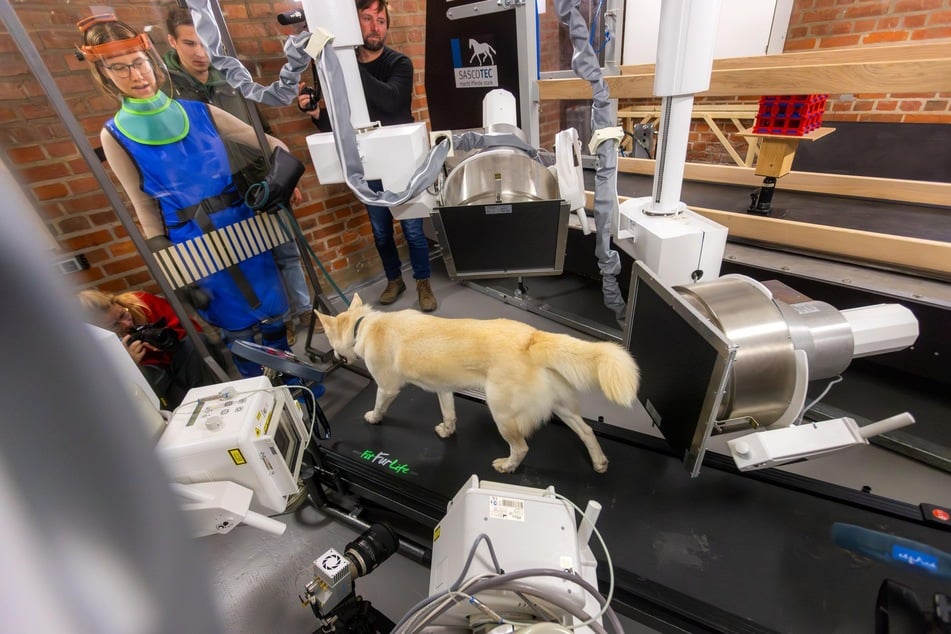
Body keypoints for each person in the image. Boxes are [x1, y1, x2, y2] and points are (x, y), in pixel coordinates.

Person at [78, 14, 293, 377]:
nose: (135, 75)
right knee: (236, 332)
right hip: (192, 243)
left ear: (152, 61)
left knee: (275, 317)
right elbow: (144, 207)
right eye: (120, 68)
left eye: (139, 63)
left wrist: (281, 182)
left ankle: (305, 398)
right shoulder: (115, 135)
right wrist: (179, 276)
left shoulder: (200, 112)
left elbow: (271, 145)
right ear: (104, 75)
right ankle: (270, 406)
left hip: (241, 225)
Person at [164, 5, 313, 344]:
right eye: (190, 44)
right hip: (218, 195)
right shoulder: (168, 92)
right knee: (255, 260)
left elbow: (263, 129)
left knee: (288, 252)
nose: (201, 53)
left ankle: (304, 310)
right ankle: (279, 319)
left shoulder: (232, 76)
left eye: (205, 43)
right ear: (173, 42)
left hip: (260, 178)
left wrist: (286, 178)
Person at [299, 0, 437, 312]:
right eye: (367, 18)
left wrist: (346, 68)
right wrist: (316, 110)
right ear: (353, 22)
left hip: (401, 161)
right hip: (367, 161)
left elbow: (391, 102)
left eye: (381, 20)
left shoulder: (398, 63)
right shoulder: (333, 67)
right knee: (381, 231)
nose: (375, 27)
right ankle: (394, 279)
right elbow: (334, 123)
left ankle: (423, 283)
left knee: (413, 229)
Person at [76, 289, 214, 409]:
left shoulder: (141, 302)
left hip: (184, 364)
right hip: (160, 388)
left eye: (123, 315)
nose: (127, 323)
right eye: (115, 326)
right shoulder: (100, 346)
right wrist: (129, 363)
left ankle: (207, 399)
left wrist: (167, 340)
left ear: (116, 303)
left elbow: (193, 330)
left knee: (195, 343)